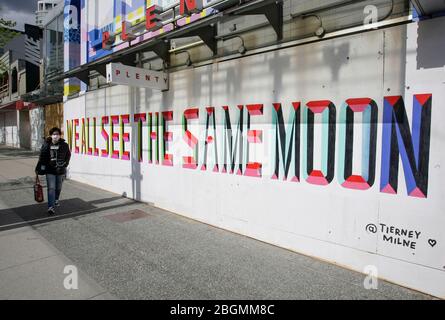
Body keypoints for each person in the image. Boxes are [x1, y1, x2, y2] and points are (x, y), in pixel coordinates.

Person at [35, 127, 71, 215]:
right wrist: (39, 168)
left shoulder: (64, 145)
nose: (55, 136)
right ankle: (50, 207)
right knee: (51, 188)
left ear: (60, 135)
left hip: (60, 170)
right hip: (50, 170)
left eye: (57, 134)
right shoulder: (46, 144)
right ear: (51, 135)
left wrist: (65, 164)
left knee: (58, 188)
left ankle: (56, 199)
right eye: (54, 134)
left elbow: (68, 155)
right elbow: (42, 157)